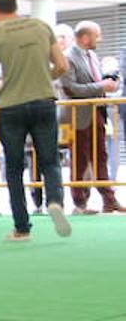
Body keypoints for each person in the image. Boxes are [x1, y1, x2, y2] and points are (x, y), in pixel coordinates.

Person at [0, 0, 71, 241]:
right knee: (50, 161)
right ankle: (55, 202)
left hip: (12, 105)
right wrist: (44, 77)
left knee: (14, 168)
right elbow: (62, 65)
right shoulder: (42, 27)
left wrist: (0, 88)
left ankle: (21, 228)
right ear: (15, 5)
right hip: (43, 100)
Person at [59, 20, 121, 214]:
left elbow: (95, 83)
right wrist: (101, 86)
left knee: (101, 156)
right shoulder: (67, 58)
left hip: (97, 113)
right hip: (75, 117)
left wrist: (109, 85)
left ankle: (109, 200)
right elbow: (71, 88)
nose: (99, 39)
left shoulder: (93, 55)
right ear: (85, 37)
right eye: (97, 35)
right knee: (79, 159)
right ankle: (79, 203)